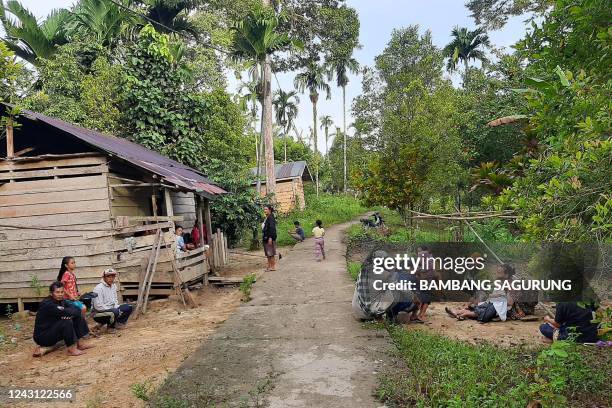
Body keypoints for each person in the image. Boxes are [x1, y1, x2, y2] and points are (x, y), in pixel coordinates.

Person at [33, 281, 93, 357]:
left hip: (54, 330)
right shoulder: (47, 304)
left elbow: (77, 309)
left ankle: (80, 344)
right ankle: (71, 349)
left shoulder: (62, 301)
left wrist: (69, 314)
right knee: (66, 321)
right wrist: (68, 313)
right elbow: (67, 311)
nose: (60, 294)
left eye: (62, 292)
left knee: (78, 317)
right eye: (57, 292)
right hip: (43, 336)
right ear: (51, 293)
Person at [445, 263, 516, 323]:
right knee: (479, 306)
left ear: (506, 275)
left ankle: (464, 314)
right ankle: (457, 312)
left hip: (501, 307)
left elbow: (510, 302)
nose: (497, 274)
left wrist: (495, 297)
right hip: (493, 303)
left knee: (483, 308)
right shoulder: (500, 282)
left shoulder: (510, 284)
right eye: (497, 272)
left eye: (499, 273)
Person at [92, 268, 133, 333]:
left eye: (112, 276)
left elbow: (115, 300)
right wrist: (113, 310)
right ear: (104, 277)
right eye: (108, 276)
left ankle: (118, 323)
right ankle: (110, 328)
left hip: (112, 310)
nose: (111, 278)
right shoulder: (98, 288)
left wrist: (116, 308)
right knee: (115, 311)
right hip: (98, 313)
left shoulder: (113, 286)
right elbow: (98, 306)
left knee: (129, 307)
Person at [262, 205, 277, 271]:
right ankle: (269, 266)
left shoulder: (271, 218)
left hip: (269, 237)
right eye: (264, 209)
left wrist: (270, 237)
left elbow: (272, 228)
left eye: (266, 209)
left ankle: (272, 267)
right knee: (268, 253)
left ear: (269, 210)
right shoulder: (267, 217)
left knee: (270, 252)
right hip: (266, 237)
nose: (265, 211)